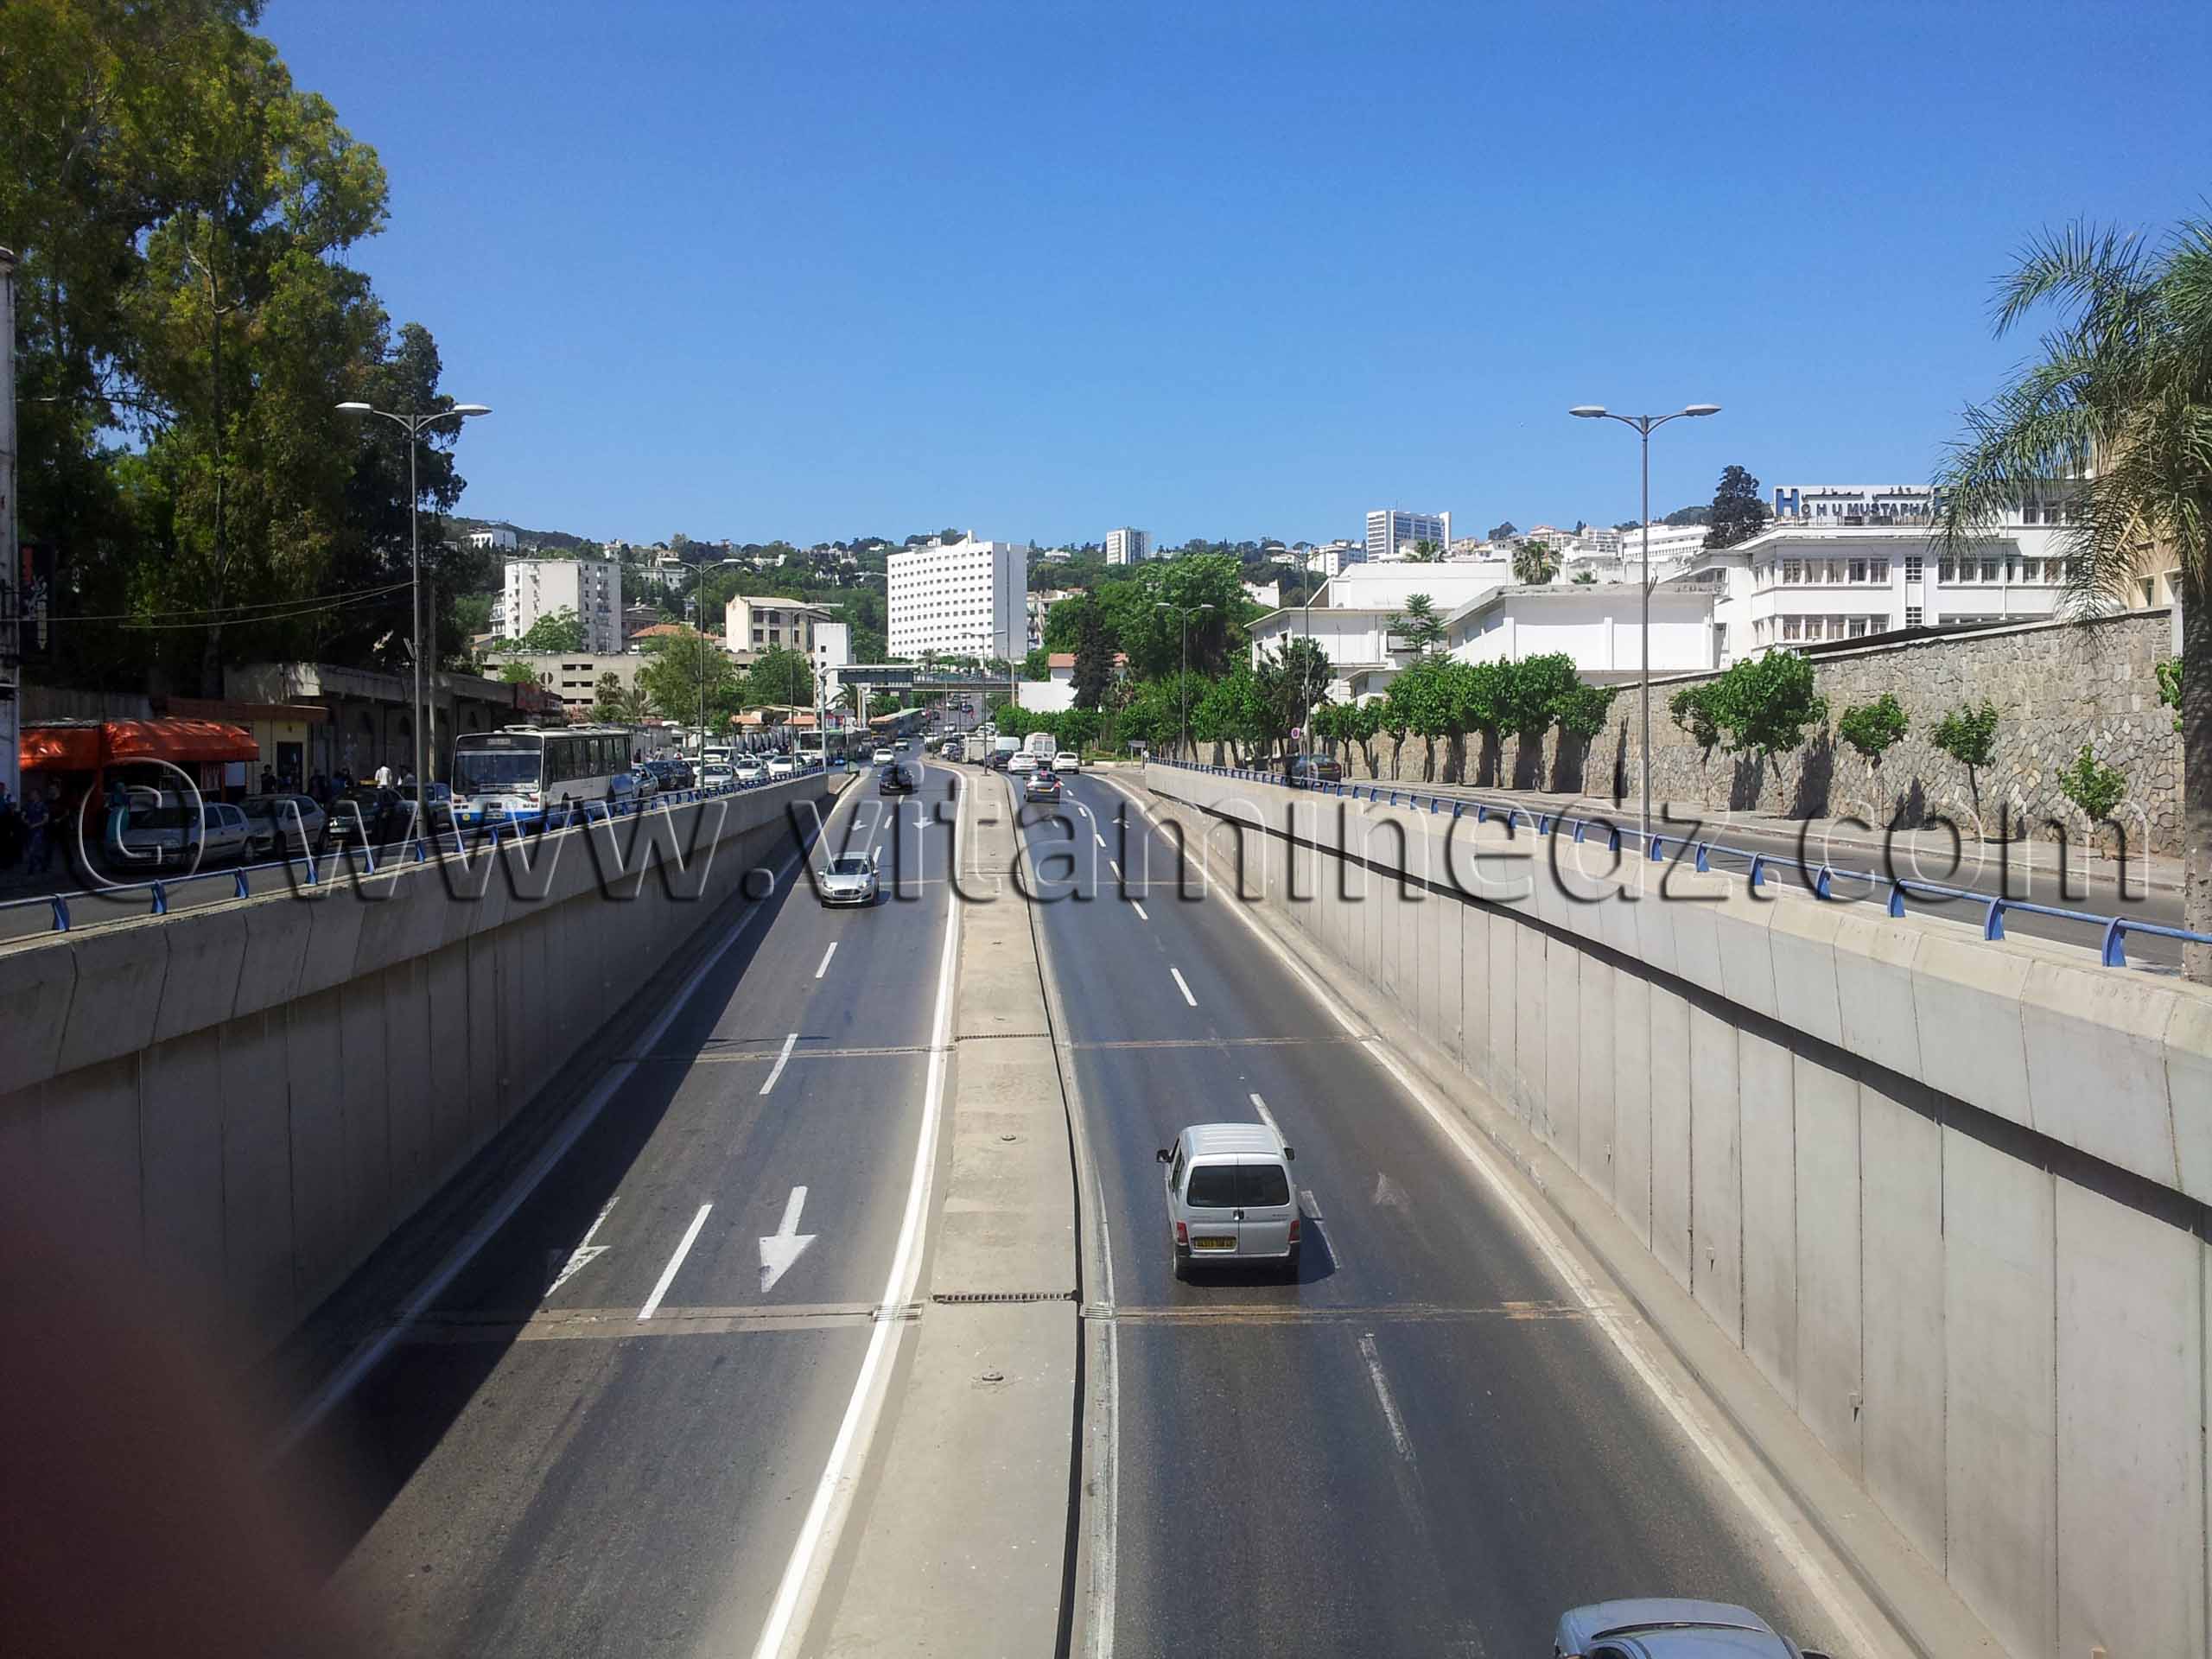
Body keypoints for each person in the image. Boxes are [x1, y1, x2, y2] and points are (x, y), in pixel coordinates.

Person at [22, 785, 53, 875]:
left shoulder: (43, 805)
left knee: (32, 850)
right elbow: (23, 816)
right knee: (32, 850)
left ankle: (31, 869)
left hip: (39, 831)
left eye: (33, 794)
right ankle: (43, 864)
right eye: (31, 794)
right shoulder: (28, 805)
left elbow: (46, 819)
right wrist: (25, 821)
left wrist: (36, 825)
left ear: (38, 795)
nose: (31, 795)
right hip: (29, 830)